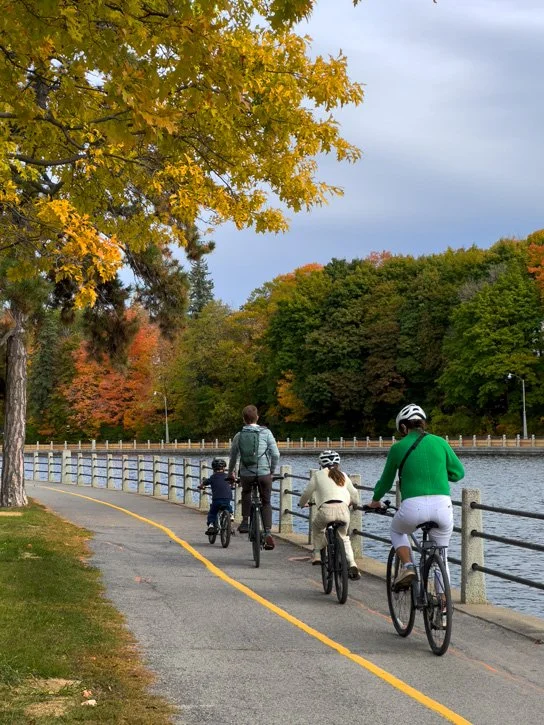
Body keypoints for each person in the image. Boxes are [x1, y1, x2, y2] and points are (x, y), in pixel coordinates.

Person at [367, 403, 465, 591]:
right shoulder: (440, 442)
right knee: (441, 557)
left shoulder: (398, 448)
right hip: (442, 507)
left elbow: (385, 482)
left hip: (413, 507)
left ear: (404, 427)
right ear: (423, 423)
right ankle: (443, 607)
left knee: (397, 531)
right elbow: (459, 473)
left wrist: (375, 501)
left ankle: (408, 567)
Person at [299, 450, 361, 580]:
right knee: (344, 537)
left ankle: (317, 554)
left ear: (321, 463)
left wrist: (301, 503)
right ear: (338, 463)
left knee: (317, 528)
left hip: (326, 510)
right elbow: (354, 494)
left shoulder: (318, 475)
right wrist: (355, 504)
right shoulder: (343, 475)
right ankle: (352, 563)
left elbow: (307, 492)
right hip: (344, 511)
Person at [227, 404, 280, 550]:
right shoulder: (266, 433)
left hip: (246, 474)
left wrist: (230, 472)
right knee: (266, 501)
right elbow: (276, 454)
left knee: (246, 492)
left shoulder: (239, 435)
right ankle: (268, 532)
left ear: (244, 419)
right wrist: (271, 471)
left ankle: (244, 521)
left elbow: (233, 458)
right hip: (264, 473)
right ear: (257, 417)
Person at [199, 458, 234, 535]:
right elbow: (232, 481)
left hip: (217, 499)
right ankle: (231, 514)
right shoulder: (227, 476)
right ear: (224, 468)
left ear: (213, 468)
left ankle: (211, 525)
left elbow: (205, 482)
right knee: (227, 505)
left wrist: (201, 486)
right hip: (227, 497)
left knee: (212, 512)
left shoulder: (212, 477)